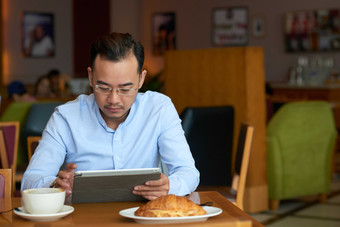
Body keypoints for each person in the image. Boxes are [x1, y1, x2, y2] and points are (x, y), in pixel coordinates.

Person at [21, 32, 199, 200]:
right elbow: (30, 181)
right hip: (84, 219)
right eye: (104, 87)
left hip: (144, 217)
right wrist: (56, 185)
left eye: (125, 89)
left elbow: (188, 172)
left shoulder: (158, 109)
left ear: (141, 79)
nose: (113, 99)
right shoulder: (66, 117)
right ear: (91, 77)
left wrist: (169, 186)